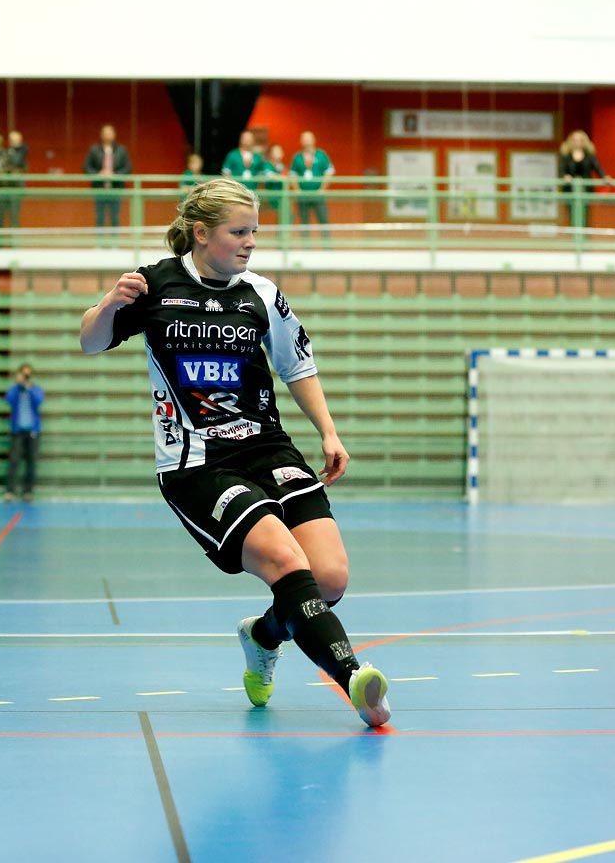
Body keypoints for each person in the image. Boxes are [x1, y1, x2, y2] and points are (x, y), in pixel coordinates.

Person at [77, 178, 392, 728]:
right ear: (200, 234)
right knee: (286, 561)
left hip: (267, 446)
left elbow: (297, 366)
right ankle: (353, 679)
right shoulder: (154, 284)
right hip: (197, 461)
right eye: (238, 232)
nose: (250, 243)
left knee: (331, 578)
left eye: (254, 232)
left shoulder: (263, 295)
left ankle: (262, 635)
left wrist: (329, 432)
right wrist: (110, 302)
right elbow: (89, 340)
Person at [3, 364, 43, 503]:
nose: (26, 377)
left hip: (33, 432)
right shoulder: (14, 390)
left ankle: (28, 491)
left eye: (28, 375)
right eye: (23, 374)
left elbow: (38, 402)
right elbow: (8, 400)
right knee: (14, 461)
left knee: (31, 462)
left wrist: (28, 387)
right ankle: (10, 491)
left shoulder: (35, 389)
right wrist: (18, 384)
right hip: (17, 431)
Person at [83, 123, 132, 229]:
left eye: (110, 133)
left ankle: (115, 243)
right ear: (101, 135)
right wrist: (98, 174)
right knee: (99, 217)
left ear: (114, 134)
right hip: (99, 188)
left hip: (116, 188)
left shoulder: (121, 150)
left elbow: (128, 168)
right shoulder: (94, 150)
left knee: (115, 217)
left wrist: (115, 175)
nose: (108, 135)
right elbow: (86, 167)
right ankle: (100, 244)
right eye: (105, 133)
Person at [558, 130, 609, 230]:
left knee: (585, 214)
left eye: (580, 140)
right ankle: (575, 237)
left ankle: (583, 237)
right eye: (575, 140)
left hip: (586, 189)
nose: (577, 142)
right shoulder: (566, 155)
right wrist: (565, 176)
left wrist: (604, 177)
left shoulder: (589, 155)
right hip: (570, 190)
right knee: (572, 214)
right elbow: (562, 170)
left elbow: (597, 168)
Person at [289, 130, 334, 233]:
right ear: (301, 141)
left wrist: (322, 190)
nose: (306, 141)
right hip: (303, 196)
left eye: (308, 138)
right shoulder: (297, 157)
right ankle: (306, 247)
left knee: (323, 221)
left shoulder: (321, 155)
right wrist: (298, 190)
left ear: (314, 140)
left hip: (318, 195)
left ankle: (327, 247)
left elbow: (329, 172)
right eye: (304, 139)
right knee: (304, 223)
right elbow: (292, 175)